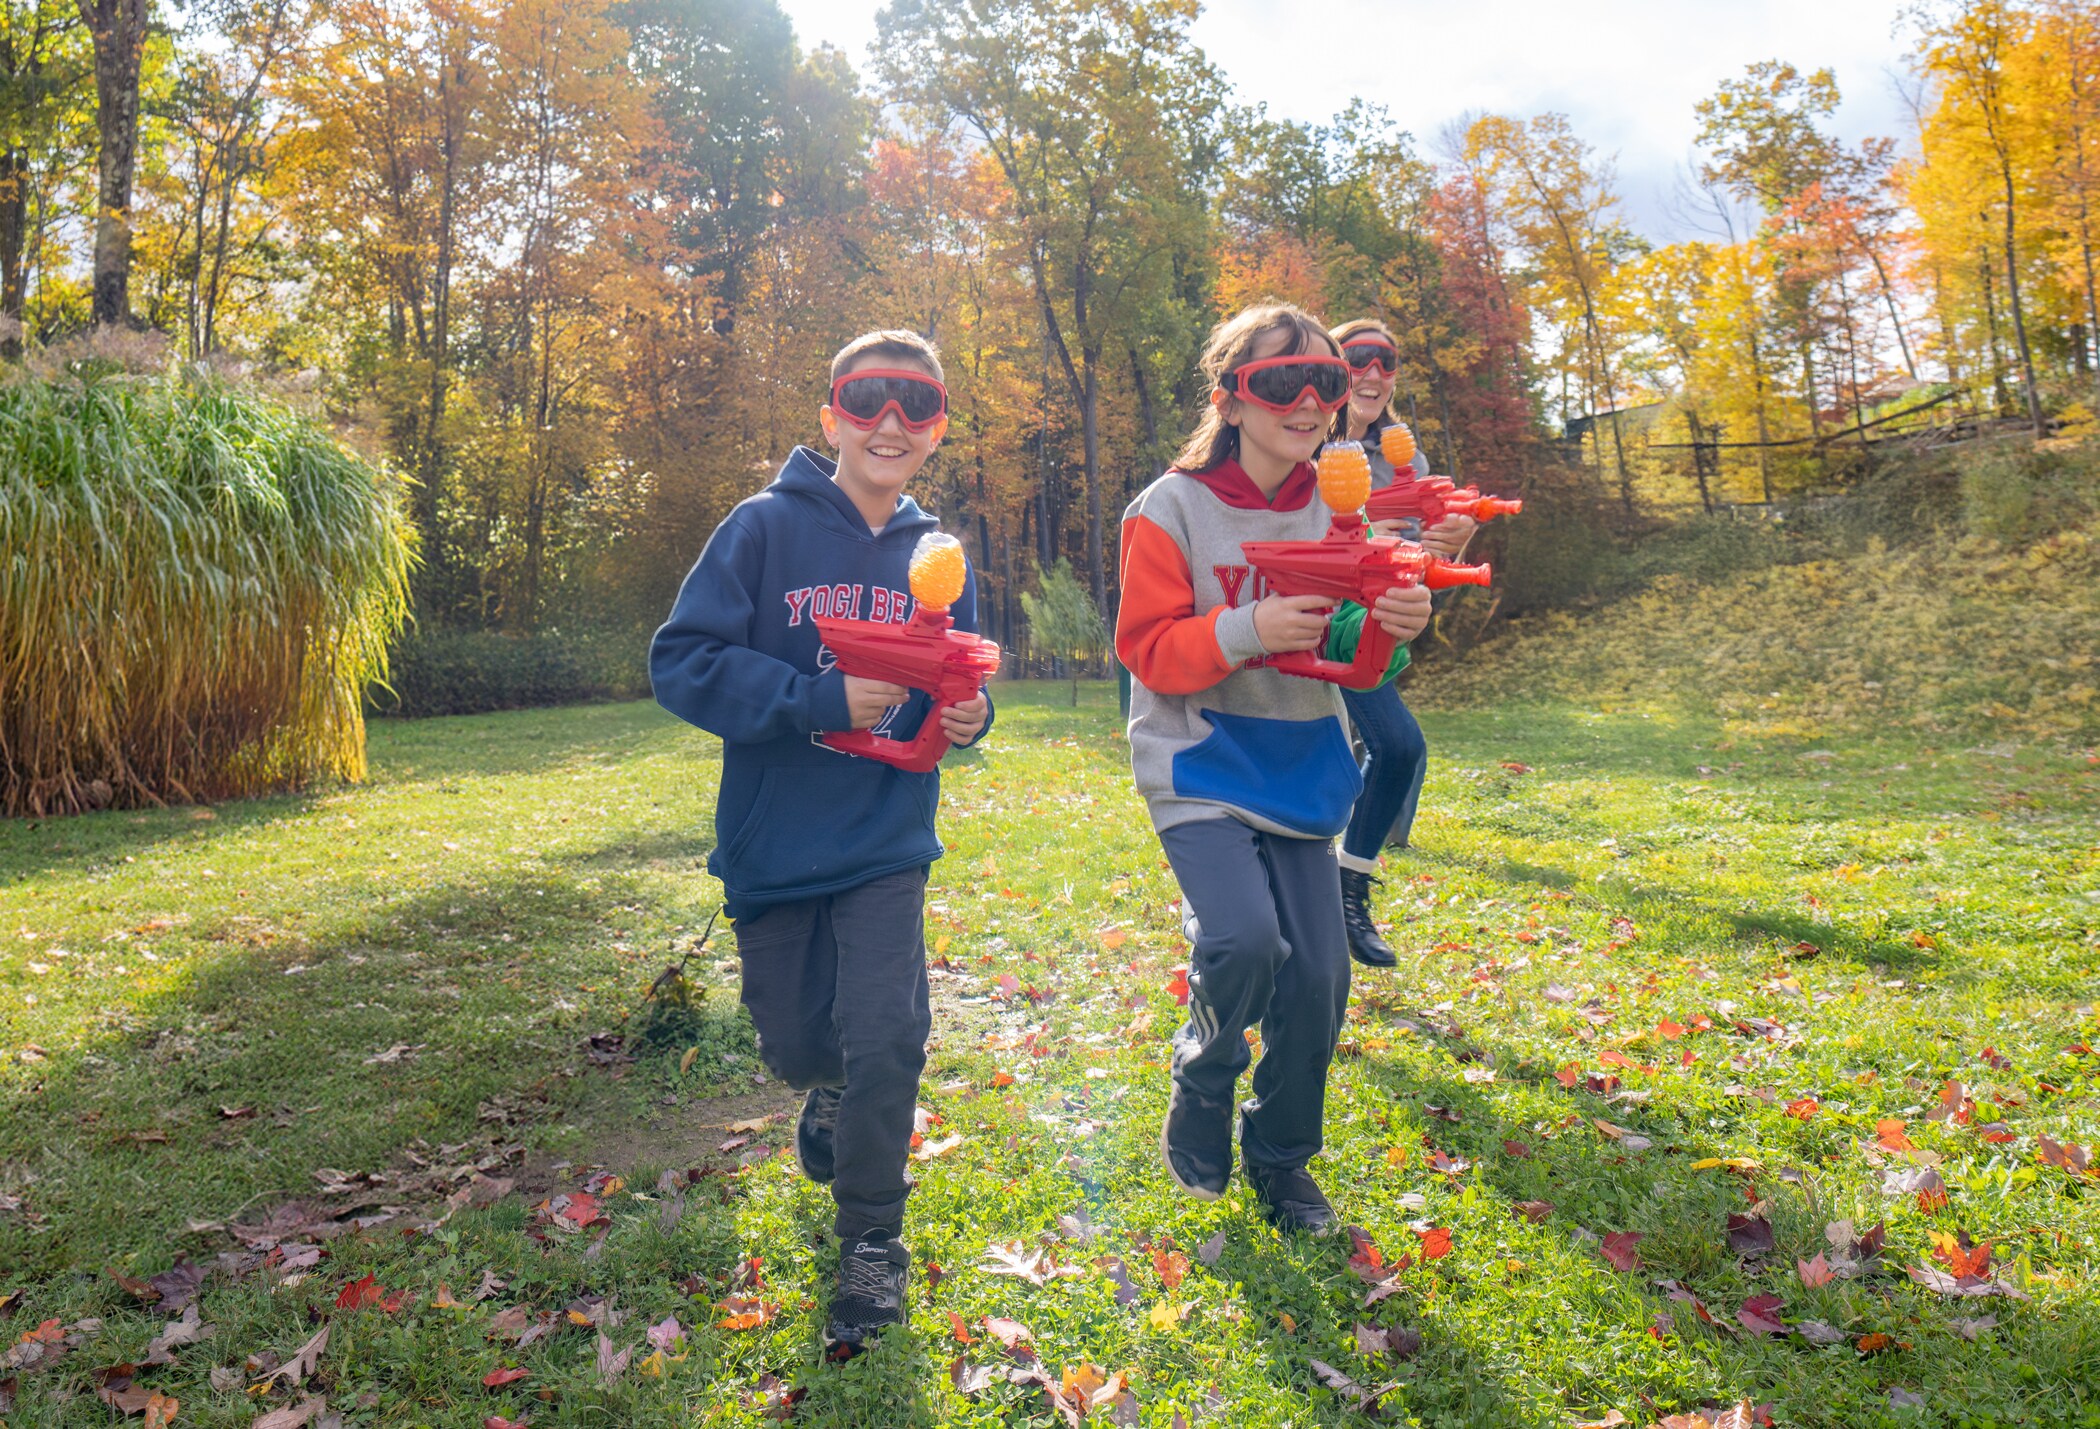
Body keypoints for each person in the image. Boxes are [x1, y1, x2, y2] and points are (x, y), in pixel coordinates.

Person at [649, 329, 993, 1356]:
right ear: (831, 414)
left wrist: (972, 720)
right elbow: (682, 661)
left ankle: (872, 1246)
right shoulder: (760, 530)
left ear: (936, 428)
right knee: (799, 1041)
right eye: (868, 398)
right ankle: (825, 1089)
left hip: (887, 840)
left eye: (916, 404)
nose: (890, 421)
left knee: (890, 1032)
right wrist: (810, 697)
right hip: (774, 844)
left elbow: (958, 683)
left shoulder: (939, 558)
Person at [1117, 301, 1432, 1234]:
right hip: (1199, 759)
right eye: (1278, 383)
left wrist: (1395, 632)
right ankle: (1205, 1075)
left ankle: (1283, 1156)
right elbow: (1148, 649)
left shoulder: (1347, 510)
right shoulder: (1167, 507)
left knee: (1321, 979)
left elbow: (1361, 662)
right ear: (1231, 398)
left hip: (1304, 766)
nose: (1307, 402)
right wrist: (1246, 628)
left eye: (1325, 385)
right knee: (1248, 941)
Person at [1325, 318, 1478, 968]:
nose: (1372, 372)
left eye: (1384, 362)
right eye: (1357, 358)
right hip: (1301, 612)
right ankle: (1311, 891)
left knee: (1399, 746)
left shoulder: (1403, 459)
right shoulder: (1304, 435)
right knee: (1352, 753)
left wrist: (1446, 546)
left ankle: (1347, 880)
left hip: (1367, 624)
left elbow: (1410, 558)